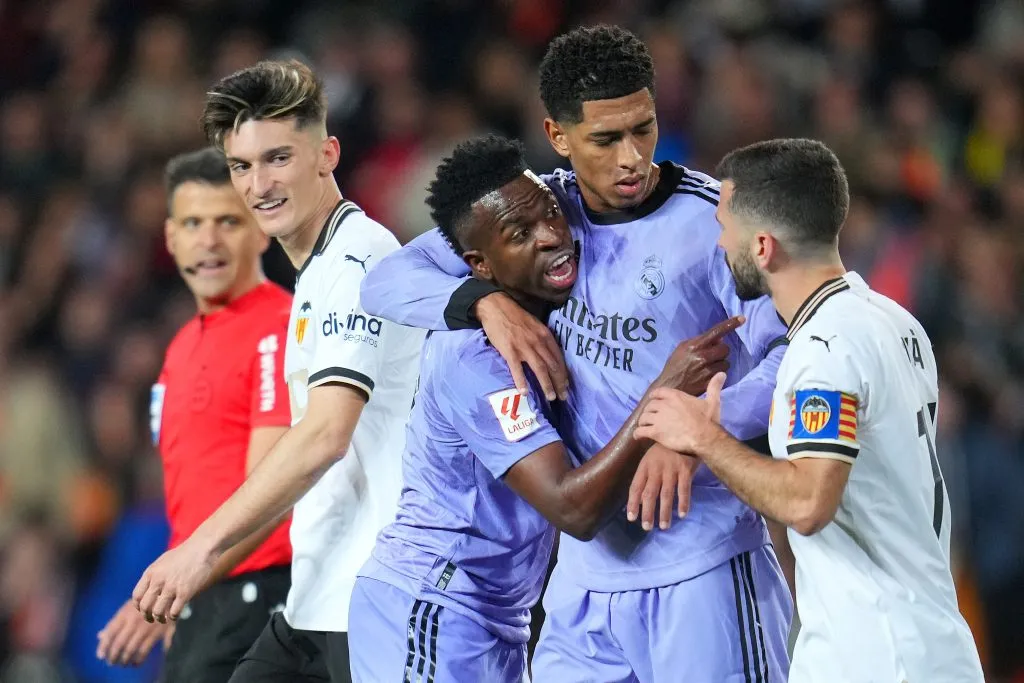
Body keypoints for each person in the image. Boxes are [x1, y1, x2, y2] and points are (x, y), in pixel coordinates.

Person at [360, 24, 793, 682]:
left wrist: (696, 428)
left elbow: (792, 355)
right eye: (606, 139)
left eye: (643, 129)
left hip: (700, 562)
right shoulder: (538, 210)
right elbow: (386, 281)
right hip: (583, 584)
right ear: (558, 136)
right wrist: (483, 301)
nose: (632, 158)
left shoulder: (715, 224)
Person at [633, 138, 985, 683]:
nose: (719, 243)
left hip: (877, 655)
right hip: (928, 642)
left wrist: (702, 436)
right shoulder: (894, 321)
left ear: (764, 247)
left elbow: (808, 501)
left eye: (724, 227)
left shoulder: (824, 347)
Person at [130, 60, 423, 683]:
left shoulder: (359, 258)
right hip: (315, 598)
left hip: (372, 595)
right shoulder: (316, 271)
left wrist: (200, 551)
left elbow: (325, 434)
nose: (258, 184)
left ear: (327, 154)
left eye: (278, 158)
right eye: (241, 166)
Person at [95, 147, 294, 682]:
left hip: (261, 600)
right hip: (204, 599)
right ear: (170, 237)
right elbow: (195, 496)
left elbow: (271, 492)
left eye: (228, 221)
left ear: (261, 232)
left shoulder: (279, 329)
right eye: (192, 223)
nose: (209, 240)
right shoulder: (181, 346)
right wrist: (165, 594)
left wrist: (178, 583)